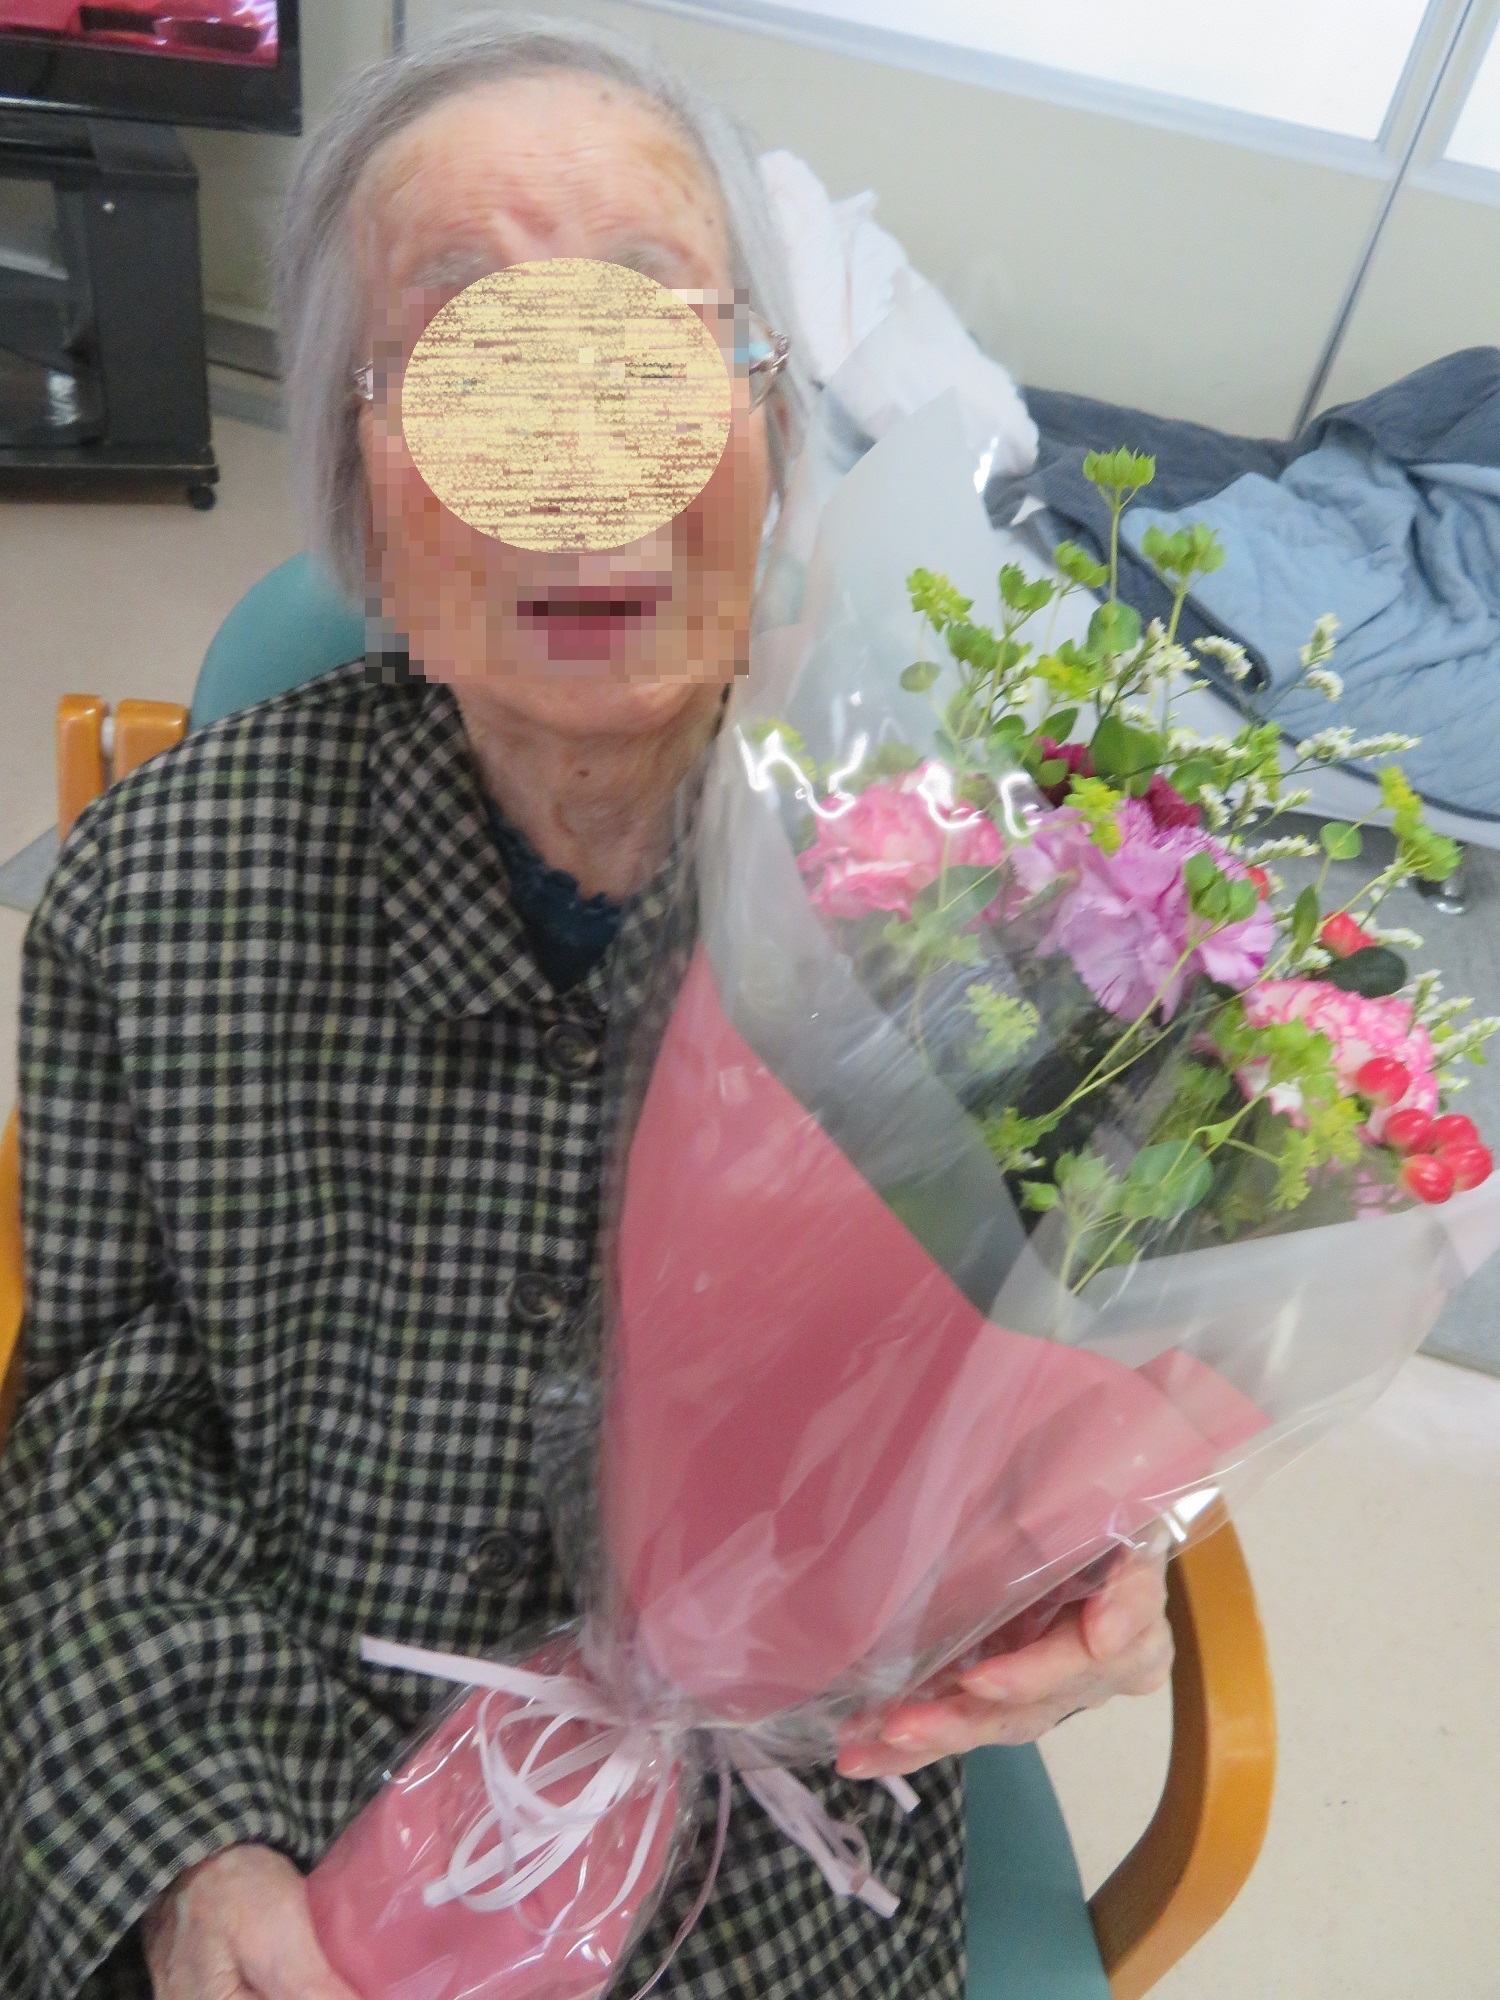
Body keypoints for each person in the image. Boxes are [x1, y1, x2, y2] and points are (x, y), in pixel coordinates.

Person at [0, 17, 1172, 2000]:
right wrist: (204, 1858)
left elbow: (1067, 1405)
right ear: (358, 489)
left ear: (773, 427)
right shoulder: (153, 893)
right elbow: (108, 1434)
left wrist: (1088, 1578)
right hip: (281, 1757)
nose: (575, 463)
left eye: (649, 339)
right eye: (474, 357)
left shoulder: (989, 921)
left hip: (773, 1846)